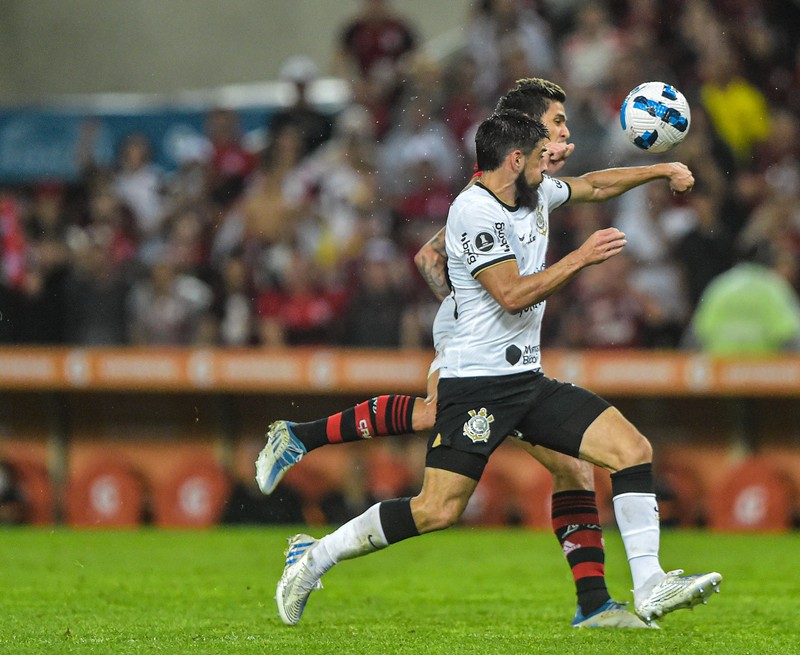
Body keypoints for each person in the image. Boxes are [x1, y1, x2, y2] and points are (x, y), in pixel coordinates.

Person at [272, 109, 721, 629]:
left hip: (526, 379)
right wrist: (579, 259)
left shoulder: (530, 194)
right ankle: (312, 556)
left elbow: (594, 185)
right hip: (478, 384)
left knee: (630, 450)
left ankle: (648, 585)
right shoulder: (473, 211)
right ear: (515, 159)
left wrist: (660, 170)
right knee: (437, 509)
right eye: (541, 153)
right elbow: (509, 295)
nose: (549, 162)